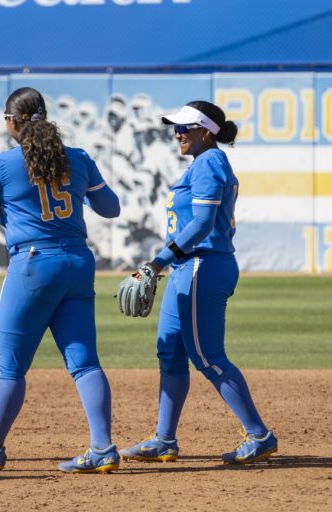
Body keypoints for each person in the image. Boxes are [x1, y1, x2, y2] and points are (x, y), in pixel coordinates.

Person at [0, 87, 121, 472]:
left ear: (11, 122)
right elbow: (111, 208)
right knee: (85, 362)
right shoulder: (77, 158)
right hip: (77, 261)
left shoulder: (3, 164)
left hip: (34, 266)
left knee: (12, 366)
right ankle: (103, 447)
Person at [119, 101, 278, 465]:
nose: (178, 134)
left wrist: (158, 261)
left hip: (201, 266)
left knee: (208, 356)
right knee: (170, 352)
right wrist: (161, 265)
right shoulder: (201, 163)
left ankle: (260, 435)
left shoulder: (209, 162)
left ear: (206, 131)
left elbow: (203, 223)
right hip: (186, 268)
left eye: (185, 128)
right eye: (175, 128)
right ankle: (164, 439)